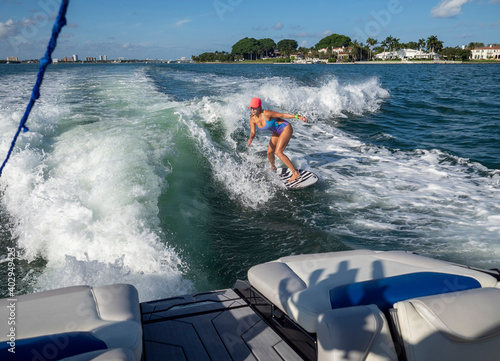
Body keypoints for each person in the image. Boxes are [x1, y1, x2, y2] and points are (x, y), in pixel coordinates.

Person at [247, 97, 308, 182]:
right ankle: (273, 167)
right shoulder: (252, 119)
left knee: (278, 152)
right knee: (269, 153)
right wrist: (251, 138)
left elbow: (282, 115)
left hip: (285, 128)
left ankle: (295, 173)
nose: (253, 110)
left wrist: (298, 116)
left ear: (259, 107)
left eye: (255, 107)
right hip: (276, 132)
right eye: (251, 108)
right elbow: (253, 132)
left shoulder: (267, 113)